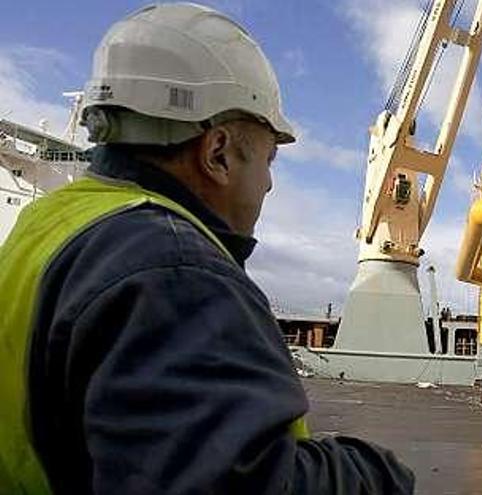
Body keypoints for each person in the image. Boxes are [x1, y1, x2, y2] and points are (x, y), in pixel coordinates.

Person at [0, 4, 414, 494]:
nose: (269, 184)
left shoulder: (49, 227)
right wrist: (375, 475)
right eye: (268, 159)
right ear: (217, 153)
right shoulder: (174, 273)